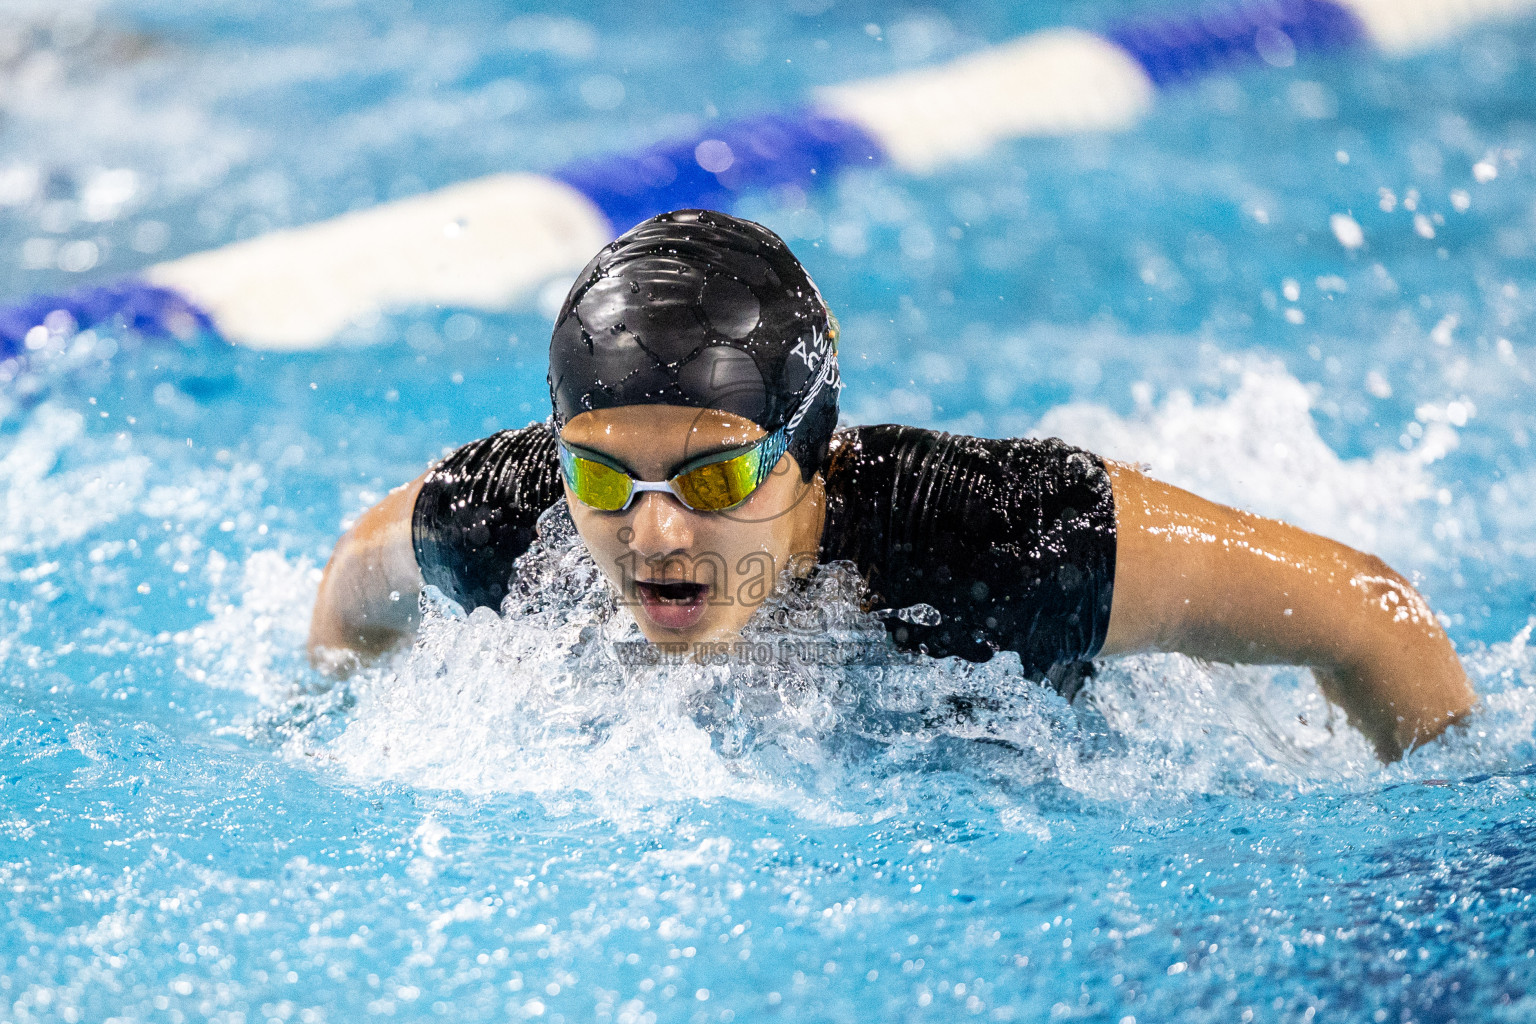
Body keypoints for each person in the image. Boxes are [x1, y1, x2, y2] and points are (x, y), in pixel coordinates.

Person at [308, 209, 1474, 762]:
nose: (653, 526)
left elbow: (1370, 611)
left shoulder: (1010, 545)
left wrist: (1426, 868)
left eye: (715, 470)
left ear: (810, 452)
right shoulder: (507, 523)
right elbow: (352, 594)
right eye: (603, 474)